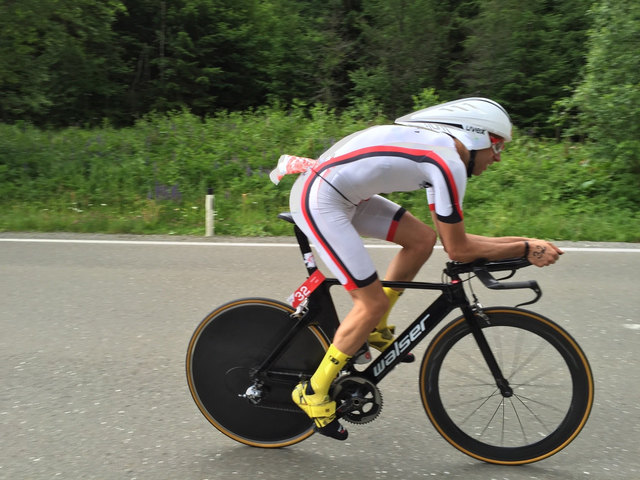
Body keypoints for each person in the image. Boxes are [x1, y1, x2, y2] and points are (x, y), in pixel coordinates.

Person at [284, 97, 563, 440]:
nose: (498, 157)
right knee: (368, 303)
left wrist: (526, 242)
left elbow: (451, 238)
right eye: (497, 146)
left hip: (346, 196)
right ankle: (312, 392)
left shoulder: (445, 157)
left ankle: (376, 327)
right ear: (476, 137)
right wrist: (524, 248)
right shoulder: (447, 162)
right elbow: (459, 250)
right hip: (321, 199)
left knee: (421, 240)